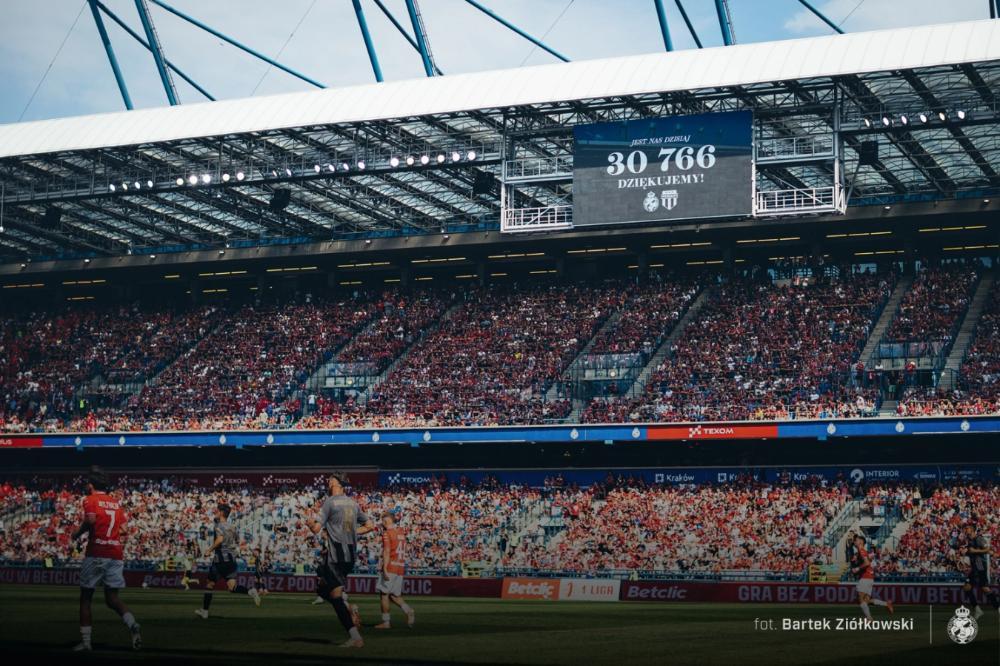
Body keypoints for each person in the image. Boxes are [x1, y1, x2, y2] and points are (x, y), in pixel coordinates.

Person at [70, 466, 142, 651]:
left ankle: (86, 643)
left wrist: (77, 534)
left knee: (86, 598)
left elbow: (91, 520)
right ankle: (132, 623)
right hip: (116, 554)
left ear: (91, 485)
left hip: (96, 552)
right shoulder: (115, 503)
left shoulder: (90, 499)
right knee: (112, 599)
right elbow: (124, 530)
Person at [306, 472, 376, 648]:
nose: (328, 481)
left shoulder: (329, 502)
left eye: (331, 479)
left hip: (336, 555)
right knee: (323, 590)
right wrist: (352, 533)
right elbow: (370, 526)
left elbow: (315, 529)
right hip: (350, 555)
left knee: (335, 596)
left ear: (337, 483)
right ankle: (348, 608)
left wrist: (309, 523)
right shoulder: (353, 503)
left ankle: (355, 636)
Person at [194, 503, 261, 618]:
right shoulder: (233, 527)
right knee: (232, 587)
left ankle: (204, 611)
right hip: (231, 560)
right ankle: (250, 591)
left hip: (220, 559)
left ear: (221, 513)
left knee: (210, 584)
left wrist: (209, 550)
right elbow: (237, 541)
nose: (216, 512)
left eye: (217, 511)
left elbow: (220, 539)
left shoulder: (219, 526)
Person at [374, 511, 415, 630]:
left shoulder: (387, 533)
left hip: (391, 566)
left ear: (387, 521)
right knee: (394, 595)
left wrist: (385, 569)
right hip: (400, 567)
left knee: (384, 594)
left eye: (383, 521)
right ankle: (408, 610)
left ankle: (386, 622)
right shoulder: (401, 533)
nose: (382, 523)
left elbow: (386, 551)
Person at [851, 534, 893, 620]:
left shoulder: (862, 550)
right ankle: (886, 604)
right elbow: (868, 560)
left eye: (857, 539)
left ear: (861, 542)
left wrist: (857, 568)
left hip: (866, 577)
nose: (855, 541)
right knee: (866, 600)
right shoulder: (861, 551)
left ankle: (869, 618)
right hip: (869, 577)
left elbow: (867, 563)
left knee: (860, 598)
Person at [962, 523, 999, 619]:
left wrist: (975, 551)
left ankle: (981, 609)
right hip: (975, 567)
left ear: (973, 530)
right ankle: (981, 609)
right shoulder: (970, 540)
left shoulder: (979, 539)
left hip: (980, 566)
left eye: (968, 528)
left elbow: (987, 549)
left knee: (977, 588)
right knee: (980, 588)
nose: (966, 529)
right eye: (965, 528)